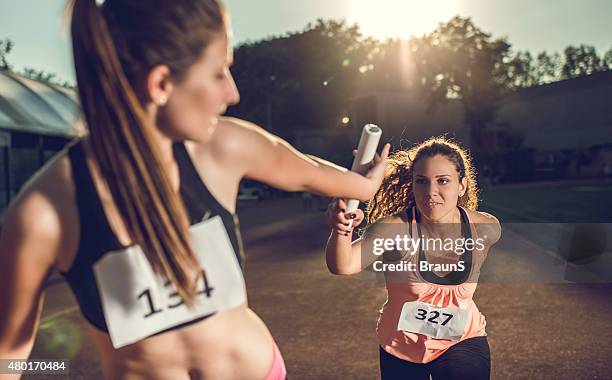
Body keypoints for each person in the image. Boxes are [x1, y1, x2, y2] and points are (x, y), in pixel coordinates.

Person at [0, 1, 390, 379]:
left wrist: (367, 184)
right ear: (161, 84)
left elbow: (309, 172)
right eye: (219, 73)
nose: (232, 93)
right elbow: (8, 358)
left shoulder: (224, 146)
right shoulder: (43, 214)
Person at [325, 137, 501, 380]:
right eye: (421, 181)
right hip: (400, 346)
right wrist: (341, 229)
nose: (431, 192)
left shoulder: (486, 228)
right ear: (413, 185)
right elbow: (343, 265)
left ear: (462, 186)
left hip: (462, 339)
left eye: (443, 181)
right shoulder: (393, 229)